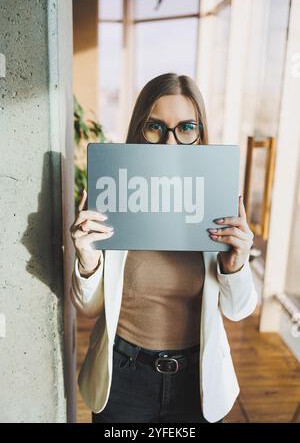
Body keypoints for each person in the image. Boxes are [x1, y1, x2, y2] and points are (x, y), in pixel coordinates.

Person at [69, 73, 257, 423]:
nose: (170, 144)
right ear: (140, 128)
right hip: (124, 378)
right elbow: (89, 306)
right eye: (156, 127)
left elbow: (239, 311)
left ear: (200, 133)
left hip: (197, 381)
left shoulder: (213, 203)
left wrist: (237, 264)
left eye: (186, 128)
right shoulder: (116, 197)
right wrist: (87, 259)